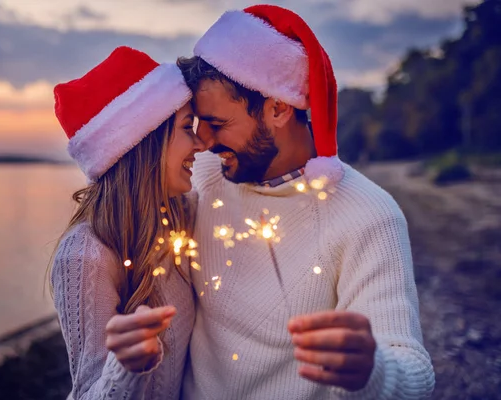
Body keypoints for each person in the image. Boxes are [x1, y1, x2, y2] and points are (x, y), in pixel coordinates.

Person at [177, 5, 435, 399]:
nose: (205, 142)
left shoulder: (368, 215)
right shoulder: (202, 179)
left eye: (217, 123)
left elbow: (413, 371)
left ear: (278, 108)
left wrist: (372, 372)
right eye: (198, 123)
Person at [50, 46, 205, 399]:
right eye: (186, 128)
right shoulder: (85, 255)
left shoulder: (181, 215)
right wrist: (128, 367)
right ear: (145, 142)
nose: (200, 144)